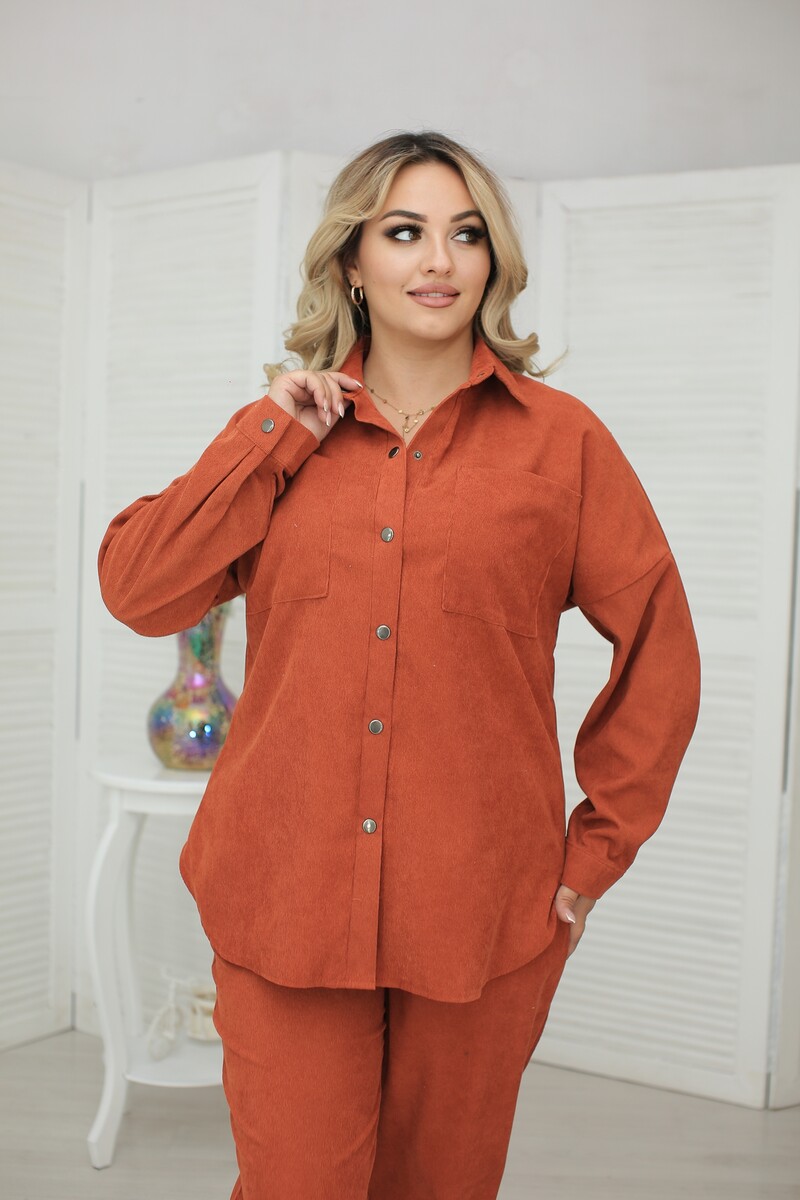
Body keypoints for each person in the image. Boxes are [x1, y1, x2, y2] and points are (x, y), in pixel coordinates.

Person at [97, 130, 701, 1200]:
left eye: (465, 234)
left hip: (482, 907)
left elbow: (658, 641)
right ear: (351, 261)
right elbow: (139, 592)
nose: (437, 260)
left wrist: (594, 851)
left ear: (492, 260)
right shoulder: (279, 436)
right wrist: (266, 437)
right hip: (282, 893)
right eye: (404, 231)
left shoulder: (561, 444)